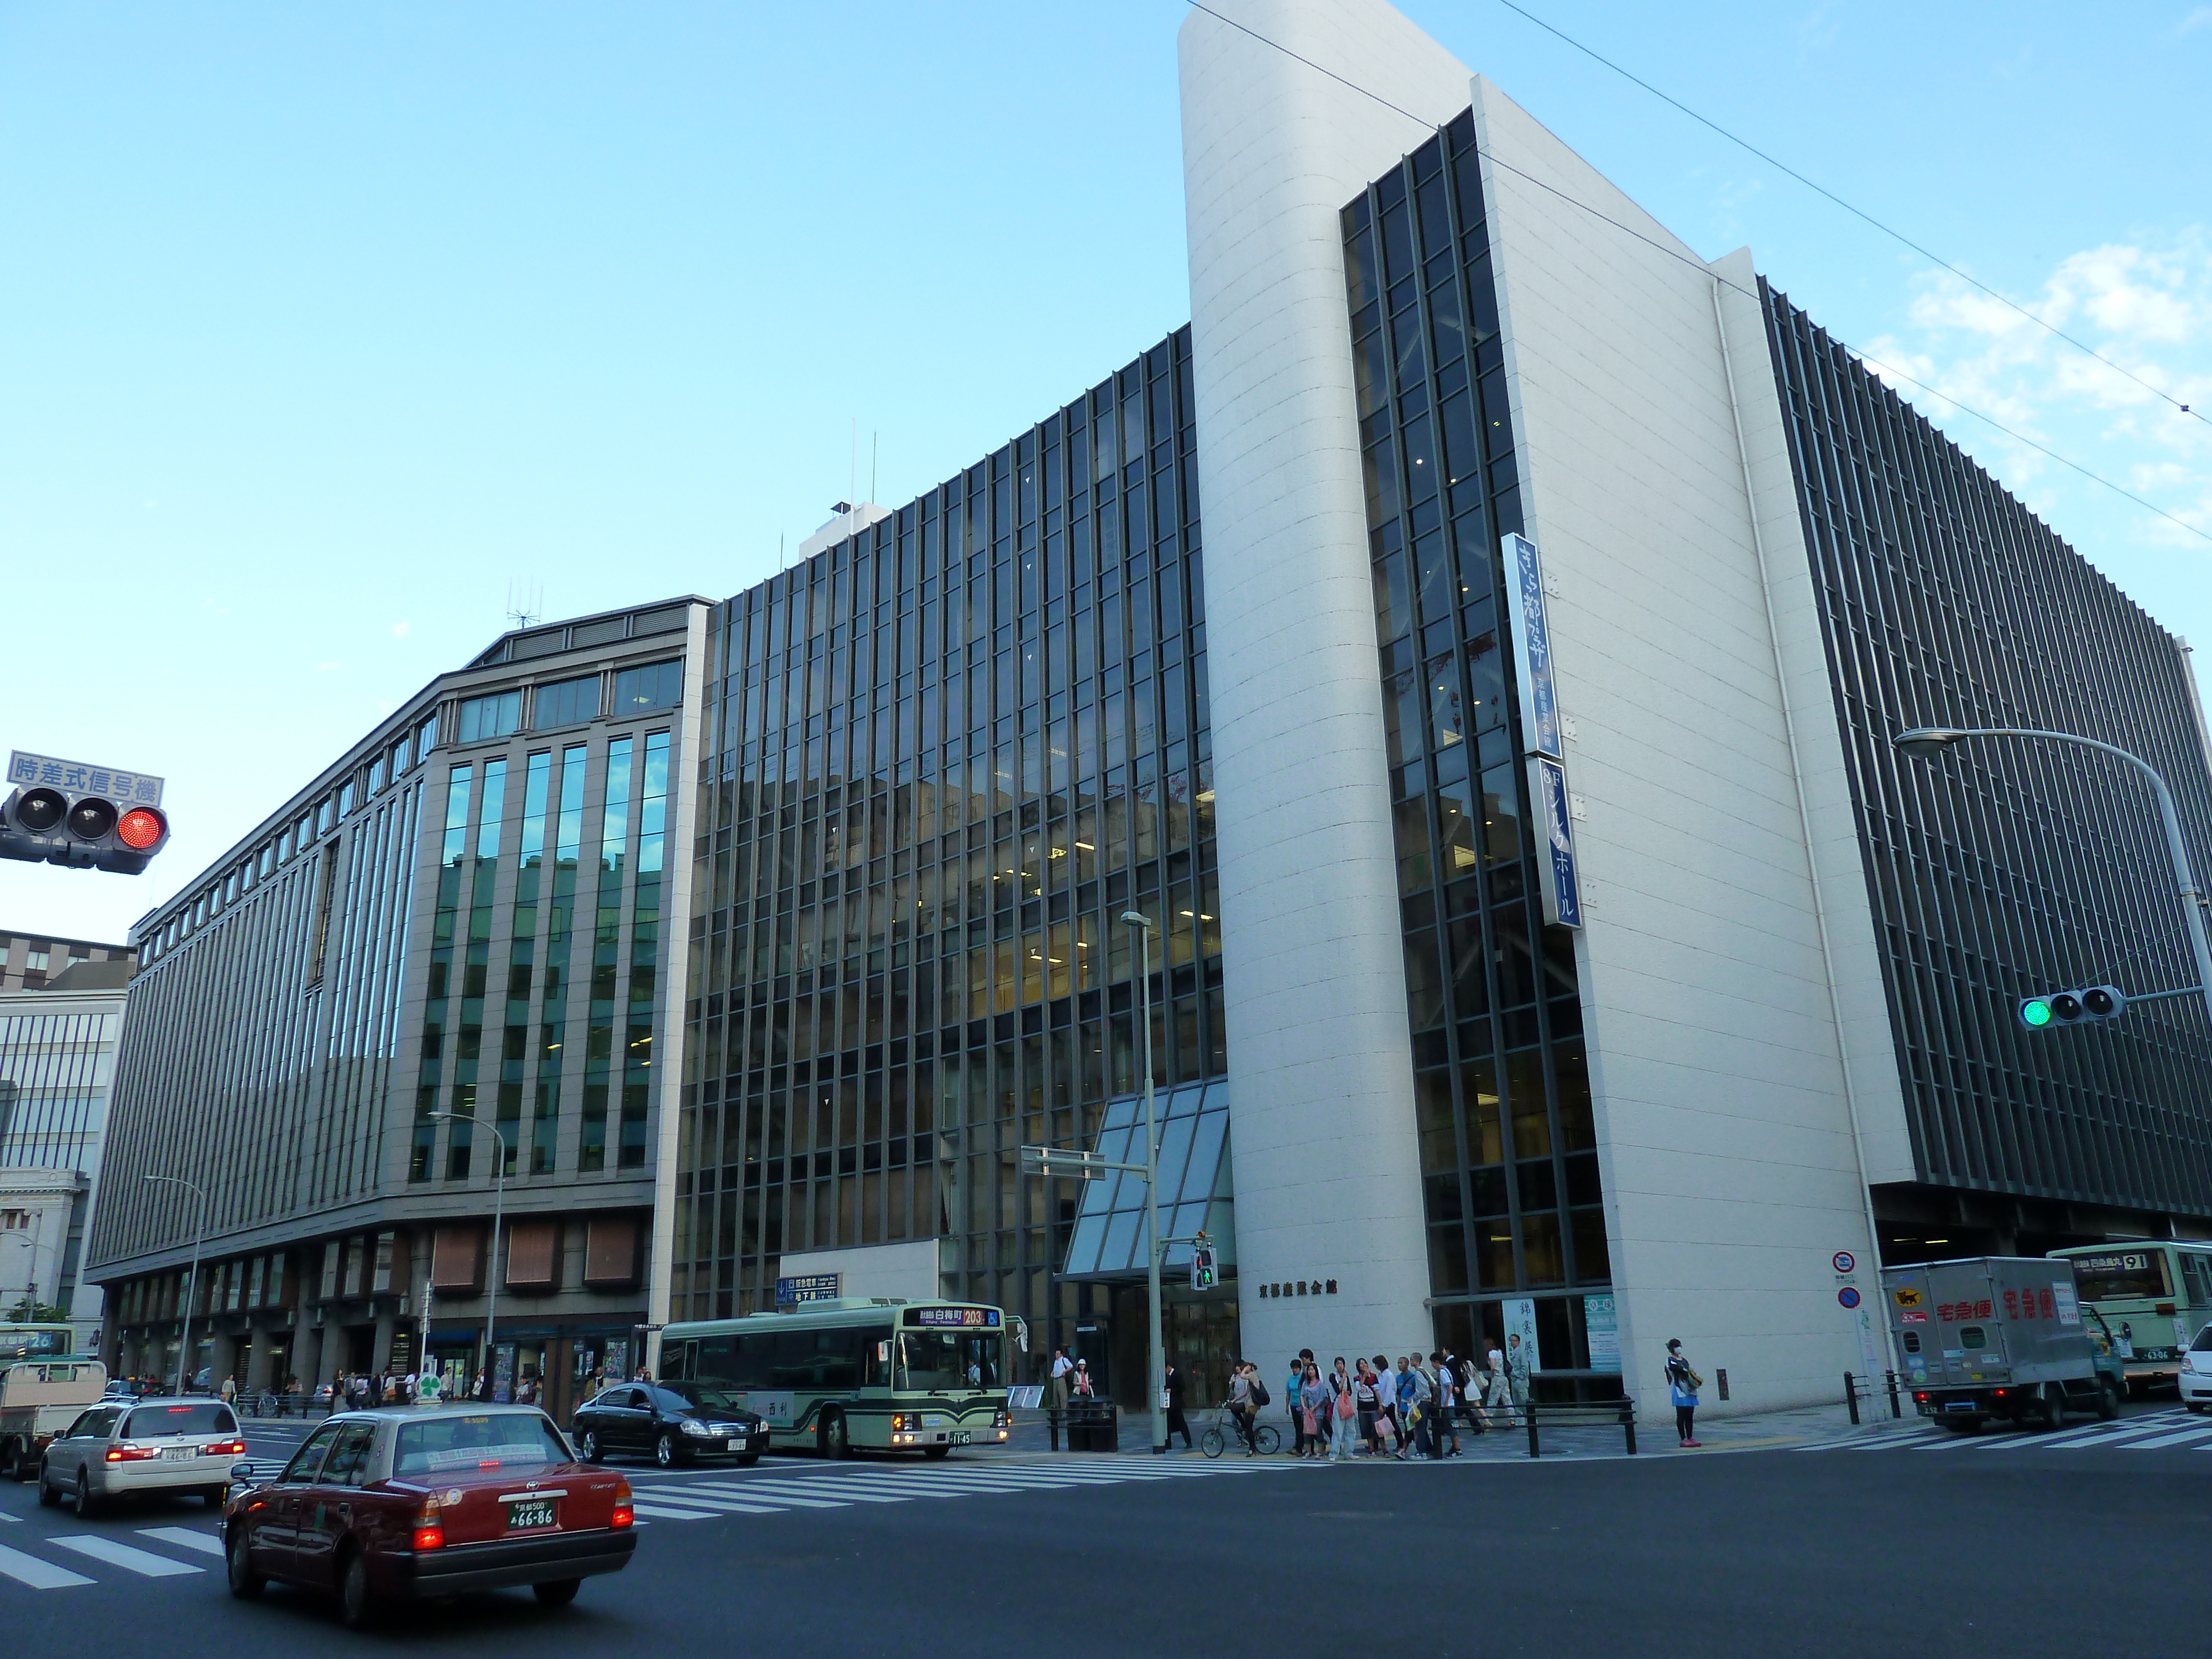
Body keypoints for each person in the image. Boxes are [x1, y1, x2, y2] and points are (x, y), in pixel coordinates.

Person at [1665, 1339, 1702, 1447]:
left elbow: (1686, 1369)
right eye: (1676, 1346)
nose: (1678, 1348)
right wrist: (1685, 1370)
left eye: (1679, 1346)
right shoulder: (1670, 1360)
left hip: (1690, 1390)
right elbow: (1677, 1369)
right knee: (1681, 1414)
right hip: (1679, 1389)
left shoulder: (1684, 1360)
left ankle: (1690, 1437)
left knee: (1690, 1415)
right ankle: (1683, 1438)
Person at [1325, 1357, 1358, 1462]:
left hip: (1347, 1403)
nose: (1340, 1366)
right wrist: (1343, 1379)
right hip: (1338, 1403)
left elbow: (1350, 1391)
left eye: (1341, 1364)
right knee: (1338, 1430)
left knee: (1351, 1429)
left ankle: (1349, 1452)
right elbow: (1337, 1390)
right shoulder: (1333, 1376)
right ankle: (1334, 1453)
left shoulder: (1347, 1376)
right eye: (1338, 1364)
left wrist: (1345, 1382)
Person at [1430, 1353, 1462, 1458]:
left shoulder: (1443, 1372)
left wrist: (1446, 1401)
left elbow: (1449, 1386)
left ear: (1437, 1362)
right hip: (1449, 1403)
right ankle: (1455, 1448)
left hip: (1448, 1405)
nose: (1432, 1365)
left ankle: (1457, 1449)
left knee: (1452, 1426)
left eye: (1432, 1362)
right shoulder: (1446, 1370)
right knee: (1450, 1426)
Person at [1297, 1361, 1330, 1460]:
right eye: (1309, 1370)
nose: (1311, 1372)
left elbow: (1323, 1398)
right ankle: (1308, 1452)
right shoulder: (1305, 1384)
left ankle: (1320, 1451)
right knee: (1306, 1432)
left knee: (1317, 1431)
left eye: (1312, 1370)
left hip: (1318, 1412)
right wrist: (1304, 1406)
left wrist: (1315, 1407)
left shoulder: (1320, 1384)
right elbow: (1302, 1395)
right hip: (1307, 1412)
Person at [1228, 1361, 1259, 1453]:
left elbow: (1242, 1376)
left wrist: (1246, 1370)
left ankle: (1252, 1448)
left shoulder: (1252, 1375)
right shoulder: (1251, 1376)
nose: (1242, 1370)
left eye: (1244, 1368)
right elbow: (1246, 1392)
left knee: (1249, 1427)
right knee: (1234, 1409)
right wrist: (1235, 1400)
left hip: (1252, 1404)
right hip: (1248, 1404)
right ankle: (1244, 1426)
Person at [1164, 1361, 1192, 1450]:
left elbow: (1183, 1388)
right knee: (1167, 1424)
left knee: (1181, 1423)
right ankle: (1168, 1444)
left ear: (1169, 1367)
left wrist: (1172, 1390)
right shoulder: (1167, 1377)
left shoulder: (1177, 1375)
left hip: (1176, 1404)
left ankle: (1188, 1442)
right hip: (1169, 1404)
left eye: (1165, 1369)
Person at [1486, 1337, 1514, 1424]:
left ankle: (1487, 1419)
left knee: (1492, 1399)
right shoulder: (1500, 1352)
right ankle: (1512, 1419)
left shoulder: (1492, 1353)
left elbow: (1493, 1367)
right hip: (1504, 1378)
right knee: (1507, 1399)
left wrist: (1492, 1376)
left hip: (1497, 1378)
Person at [1050, 1348, 1074, 1413]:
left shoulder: (1064, 1359)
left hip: (1061, 1379)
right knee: (1055, 1396)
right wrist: (1052, 1373)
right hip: (1055, 1379)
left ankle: (1064, 1412)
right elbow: (1055, 1369)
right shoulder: (1056, 1361)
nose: (1056, 1355)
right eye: (1056, 1354)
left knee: (1063, 1396)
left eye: (1058, 1354)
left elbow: (1071, 1366)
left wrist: (1065, 1372)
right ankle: (1058, 1412)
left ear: (1061, 1354)